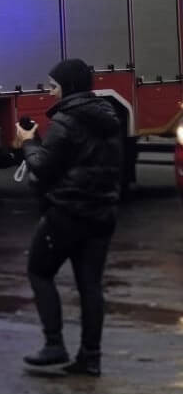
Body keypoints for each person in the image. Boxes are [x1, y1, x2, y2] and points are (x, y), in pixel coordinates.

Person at [14, 58, 122, 377]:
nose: (51, 92)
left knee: (39, 270)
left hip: (67, 212)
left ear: (68, 87)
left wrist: (28, 142)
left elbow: (44, 165)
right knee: (90, 284)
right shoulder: (110, 117)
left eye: (54, 86)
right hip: (102, 211)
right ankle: (91, 356)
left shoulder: (66, 120)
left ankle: (54, 344)